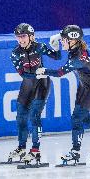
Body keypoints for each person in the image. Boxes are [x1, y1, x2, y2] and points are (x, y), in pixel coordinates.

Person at [36, 24, 90, 159]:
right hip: (85, 85)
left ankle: (75, 152)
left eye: (64, 40)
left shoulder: (78, 58)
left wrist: (44, 71)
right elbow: (71, 33)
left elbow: (59, 73)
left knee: (77, 117)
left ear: (73, 41)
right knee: (80, 114)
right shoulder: (76, 46)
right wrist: (57, 36)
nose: (61, 42)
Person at [9, 23, 61, 163]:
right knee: (20, 116)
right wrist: (35, 76)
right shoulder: (15, 53)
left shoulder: (39, 47)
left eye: (23, 36)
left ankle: (35, 150)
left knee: (34, 116)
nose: (21, 40)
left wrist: (56, 47)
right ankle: (21, 147)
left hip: (42, 83)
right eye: (18, 37)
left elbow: (57, 57)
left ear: (31, 37)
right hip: (28, 83)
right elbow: (22, 73)